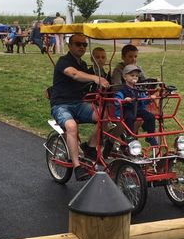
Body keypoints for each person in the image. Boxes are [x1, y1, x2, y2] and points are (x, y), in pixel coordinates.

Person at [49, 33, 109, 181]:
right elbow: (74, 74)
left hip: (79, 104)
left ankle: (90, 146)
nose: (81, 47)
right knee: (71, 126)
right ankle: (77, 166)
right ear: (70, 46)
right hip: (61, 105)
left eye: (84, 44)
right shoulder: (64, 61)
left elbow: (90, 79)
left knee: (106, 116)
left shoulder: (82, 65)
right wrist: (95, 77)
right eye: (78, 44)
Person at [114, 64, 158, 146]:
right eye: (132, 75)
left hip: (137, 109)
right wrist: (124, 100)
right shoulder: (122, 89)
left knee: (150, 116)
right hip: (127, 109)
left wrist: (149, 99)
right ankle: (130, 136)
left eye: (136, 76)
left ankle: (151, 135)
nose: (135, 77)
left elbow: (143, 100)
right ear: (125, 77)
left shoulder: (138, 89)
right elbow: (117, 100)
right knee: (130, 118)